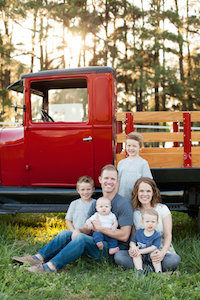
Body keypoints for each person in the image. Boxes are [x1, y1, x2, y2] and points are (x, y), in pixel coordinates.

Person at [13, 164, 133, 273]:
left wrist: (100, 229)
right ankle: (37, 258)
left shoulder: (123, 204)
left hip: (112, 249)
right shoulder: (96, 203)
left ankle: (49, 267)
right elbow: (88, 229)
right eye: (106, 178)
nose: (109, 182)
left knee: (81, 239)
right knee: (67, 233)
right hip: (97, 241)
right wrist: (79, 230)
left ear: (117, 181)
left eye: (112, 179)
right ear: (100, 180)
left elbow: (124, 235)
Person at [13, 175, 96, 267]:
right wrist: (73, 232)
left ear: (93, 190)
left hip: (88, 236)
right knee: (64, 233)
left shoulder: (96, 204)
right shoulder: (74, 203)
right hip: (75, 234)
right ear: (78, 190)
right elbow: (68, 220)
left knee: (79, 236)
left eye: (88, 189)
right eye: (83, 189)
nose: (85, 192)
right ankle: (37, 258)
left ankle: (52, 265)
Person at [114, 177, 181, 272]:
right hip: (141, 253)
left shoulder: (162, 209)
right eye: (141, 191)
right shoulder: (135, 213)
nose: (144, 194)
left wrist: (162, 253)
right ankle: (155, 270)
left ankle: (143, 269)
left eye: (148, 191)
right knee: (119, 256)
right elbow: (133, 238)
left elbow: (168, 235)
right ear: (136, 193)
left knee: (174, 260)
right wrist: (132, 248)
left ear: (153, 193)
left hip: (158, 252)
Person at [117, 132, 152, 201]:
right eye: (129, 145)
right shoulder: (121, 163)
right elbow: (118, 181)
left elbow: (148, 181)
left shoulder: (143, 163)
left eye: (134, 146)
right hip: (122, 197)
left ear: (140, 147)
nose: (131, 148)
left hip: (136, 199)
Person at [130, 208, 162, 275]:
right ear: (142, 222)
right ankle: (139, 270)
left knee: (155, 255)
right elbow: (132, 242)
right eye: (147, 221)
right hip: (141, 255)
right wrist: (133, 247)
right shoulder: (138, 233)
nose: (150, 224)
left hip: (151, 255)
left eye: (153, 222)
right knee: (136, 255)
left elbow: (153, 247)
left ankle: (158, 271)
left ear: (157, 223)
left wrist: (140, 251)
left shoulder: (157, 235)